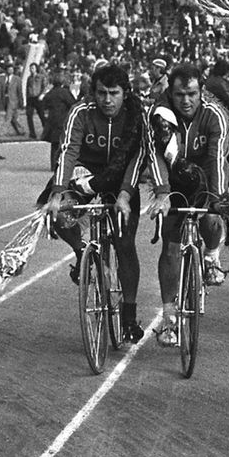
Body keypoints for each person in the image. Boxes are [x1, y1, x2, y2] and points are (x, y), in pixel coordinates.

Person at [39, 64, 154, 343]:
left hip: (121, 180)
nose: (107, 100)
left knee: (125, 243)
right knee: (58, 216)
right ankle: (82, 254)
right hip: (85, 175)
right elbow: (68, 151)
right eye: (101, 93)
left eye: (114, 93)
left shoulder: (137, 115)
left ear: (125, 93)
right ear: (93, 93)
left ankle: (128, 315)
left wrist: (126, 195)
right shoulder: (81, 111)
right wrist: (57, 193)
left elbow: (138, 159)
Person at [147, 64, 229, 346]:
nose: (186, 100)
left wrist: (218, 197)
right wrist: (162, 194)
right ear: (170, 93)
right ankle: (169, 316)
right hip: (174, 180)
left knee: (211, 219)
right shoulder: (159, 115)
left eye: (192, 94)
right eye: (179, 94)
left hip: (209, 174)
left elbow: (217, 158)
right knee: (170, 246)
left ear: (202, 91)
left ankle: (210, 256)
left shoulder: (215, 114)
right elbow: (156, 157)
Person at [40, 69, 77, 171]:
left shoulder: (50, 93)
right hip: (63, 120)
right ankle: (61, 163)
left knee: (54, 144)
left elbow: (43, 105)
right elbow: (73, 104)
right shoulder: (64, 92)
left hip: (52, 121)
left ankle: (53, 164)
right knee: (63, 143)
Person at [25, 62, 48, 139]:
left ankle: (46, 131)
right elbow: (27, 89)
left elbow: (45, 87)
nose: (31, 70)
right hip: (31, 98)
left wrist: (42, 94)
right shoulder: (29, 78)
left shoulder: (41, 77)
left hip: (38, 98)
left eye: (33, 68)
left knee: (41, 115)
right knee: (29, 115)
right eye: (30, 68)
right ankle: (32, 133)